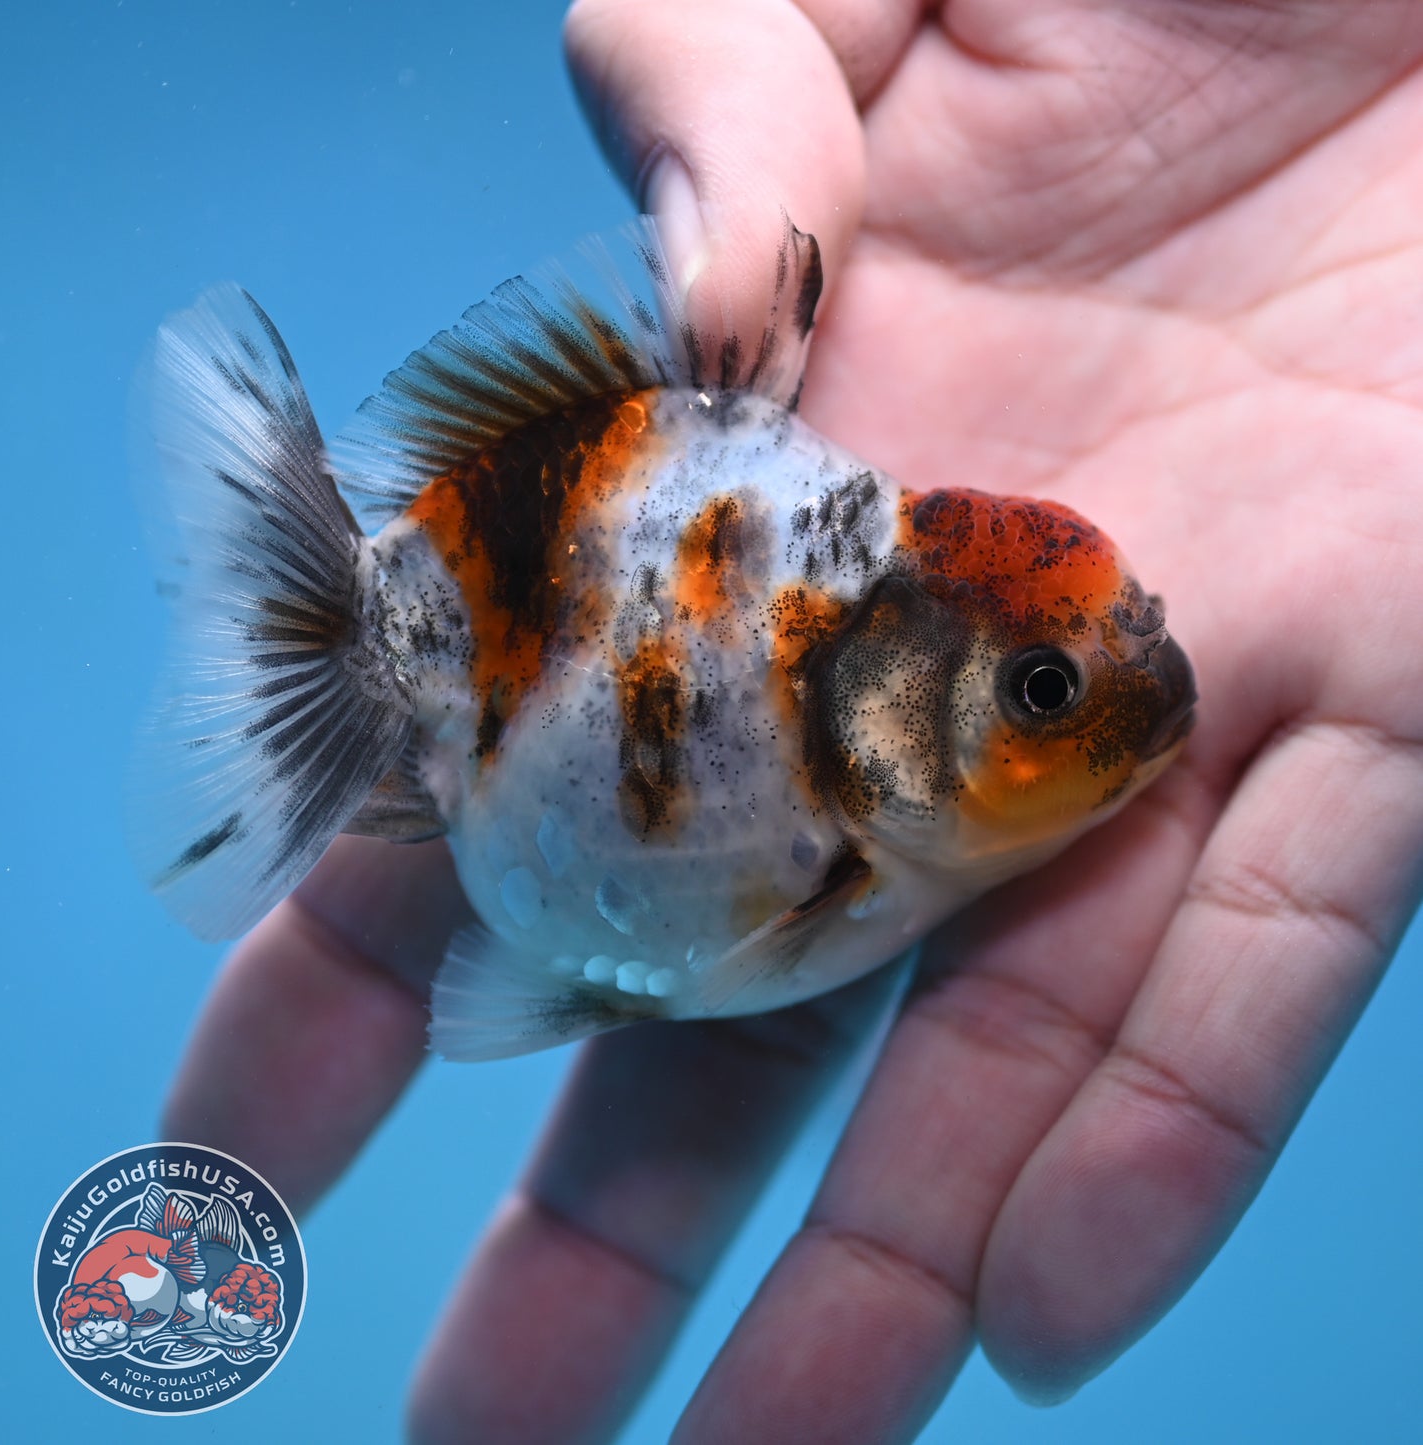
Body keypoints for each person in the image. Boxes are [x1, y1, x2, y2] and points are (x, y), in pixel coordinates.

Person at [162, 3, 1423, 1440]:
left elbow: (551, 986)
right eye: (1041, 694)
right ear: (888, 700)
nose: (1094, 717)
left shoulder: (873, 807)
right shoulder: (836, 805)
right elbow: (569, 979)